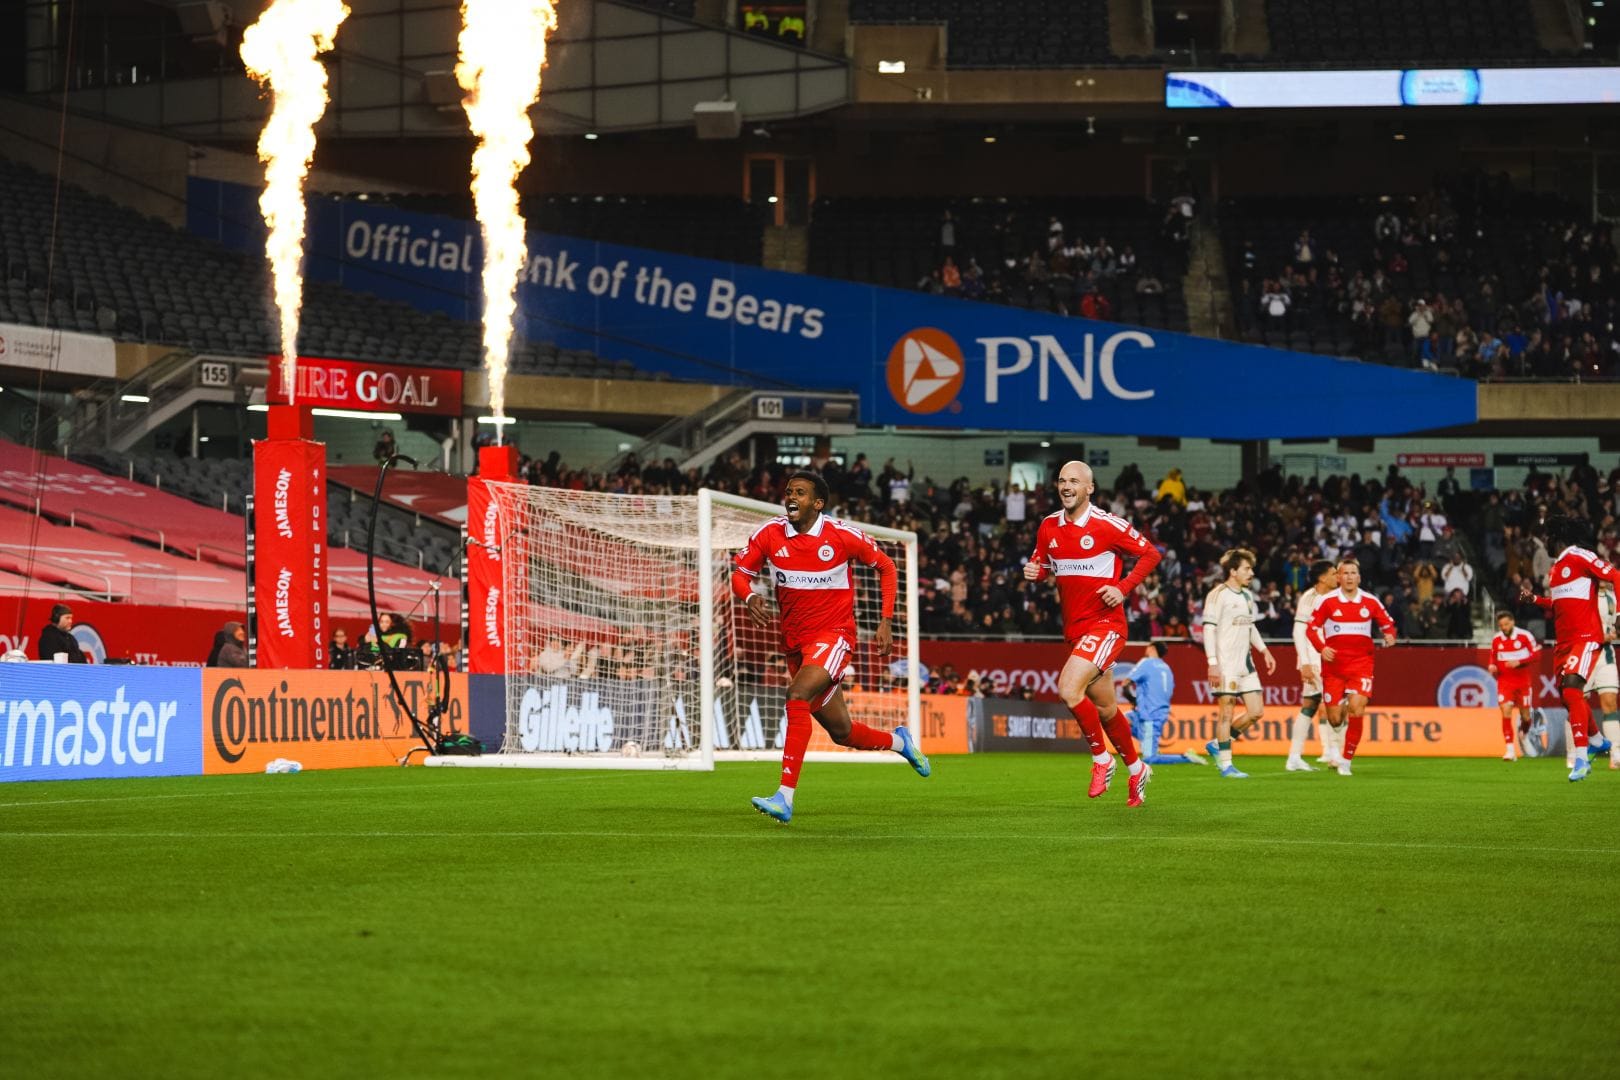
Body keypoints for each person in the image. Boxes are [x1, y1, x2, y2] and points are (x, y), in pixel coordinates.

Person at [733, 471, 929, 823]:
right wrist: (748, 596)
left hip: (834, 635)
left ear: (818, 503)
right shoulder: (769, 533)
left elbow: (886, 566)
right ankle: (901, 742)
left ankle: (784, 797)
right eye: (789, 490)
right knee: (842, 732)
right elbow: (740, 574)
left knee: (796, 695)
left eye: (801, 493)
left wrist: (885, 621)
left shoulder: (841, 535)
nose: (792, 497)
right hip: (795, 642)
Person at [1023, 460, 1161, 807]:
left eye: (1074, 481)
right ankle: (1137, 768)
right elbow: (1046, 566)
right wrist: (1034, 573)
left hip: (1107, 626)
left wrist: (1123, 587)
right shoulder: (1048, 526)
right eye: (1061, 481)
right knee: (1106, 708)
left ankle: (1102, 759)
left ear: (1089, 488)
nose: (1066, 486)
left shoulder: (1106, 525)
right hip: (1075, 629)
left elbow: (1150, 553)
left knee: (1069, 689)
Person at [1521, 518, 1620, 781]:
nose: (1546, 543)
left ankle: (1580, 759)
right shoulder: (1556, 569)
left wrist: (1619, 614)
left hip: (1585, 637)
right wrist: (1535, 600)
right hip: (1563, 643)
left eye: (1548, 538)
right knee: (1567, 698)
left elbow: (1616, 576)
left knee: (1573, 689)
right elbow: (1558, 606)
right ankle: (1597, 739)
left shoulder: (1580, 555)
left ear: (1558, 536)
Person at [1306, 558, 1397, 777]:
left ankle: (1346, 760)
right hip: (1334, 667)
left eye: (1353, 573)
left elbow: (1388, 624)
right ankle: (1343, 702)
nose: (1348, 577)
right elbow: (1311, 629)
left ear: (1359, 577)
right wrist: (1321, 648)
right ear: (1338, 577)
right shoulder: (1326, 601)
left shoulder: (1370, 601)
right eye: (1344, 573)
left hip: (1361, 665)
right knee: (1335, 718)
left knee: (1358, 709)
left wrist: (1389, 635)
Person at [1200, 549, 1277, 778]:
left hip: (1246, 664)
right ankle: (1226, 765)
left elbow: (1250, 626)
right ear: (1233, 571)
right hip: (1225, 664)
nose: (1251, 573)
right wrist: (1213, 663)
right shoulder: (1217, 595)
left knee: (1256, 712)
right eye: (1246, 568)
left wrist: (1264, 651)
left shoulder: (1247, 596)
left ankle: (1217, 744)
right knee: (1226, 712)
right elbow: (1208, 629)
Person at [1290, 559, 1340, 769]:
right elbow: (1299, 631)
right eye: (1334, 573)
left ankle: (1294, 757)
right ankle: (1335, 753)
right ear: (1322, 578)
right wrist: (1304, 662)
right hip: (1315, 660)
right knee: (1335, 703)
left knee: (1310, 705)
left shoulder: (1336, 597)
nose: (1338, 576)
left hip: (1328, 658)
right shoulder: (1310, 599)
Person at [1119, 641, 1204, 766]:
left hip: (1149, 714)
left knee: (1149, 759)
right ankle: (1148, 742)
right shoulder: (1166, 667)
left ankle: (1187, 758)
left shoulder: (1146, 662)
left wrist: (1132, 699)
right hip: (1157, 711)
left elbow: (1125, 682)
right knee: (1122, 720)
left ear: (1152, 648)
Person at [1487, 610, 1540, 762]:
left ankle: (1523, 735)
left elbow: (1537, 655)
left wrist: (1520, 662)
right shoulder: (1497, 639)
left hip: (1523, 682)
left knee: (1526, 716)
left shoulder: (1525, 636)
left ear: (1513, 622)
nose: (1503, 627)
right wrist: (1492, 666)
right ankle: (1510, 750)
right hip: (1505, 682)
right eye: (1501, 625)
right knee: (1506, 711)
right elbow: (1493, 656)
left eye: (1506, 624)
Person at [1589, 582, 1620, 769]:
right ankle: (1576, 752)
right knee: (1577, 703)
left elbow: (1614, 623)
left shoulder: (1612, 597)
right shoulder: (1582, 595)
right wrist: (1597, 636)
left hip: (1605, 656)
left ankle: (1615, 753)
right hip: (1583, 655)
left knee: (1610, 703)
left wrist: (1615, 631)